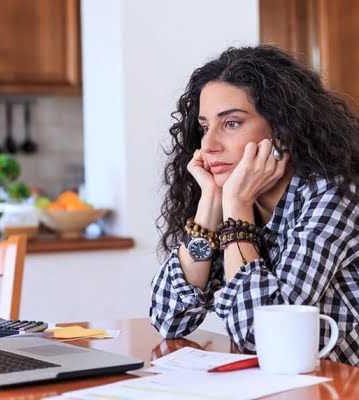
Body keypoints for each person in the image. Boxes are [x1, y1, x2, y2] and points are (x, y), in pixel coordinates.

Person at [150, 45, 359, 366]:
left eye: (231, 123)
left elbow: (259, 336)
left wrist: (236, 207)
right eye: (205, 126)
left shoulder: (334, 193)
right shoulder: (233, 193)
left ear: (283, 128)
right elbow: (169, 319)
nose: (208, 144)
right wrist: (211, 202)